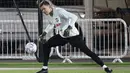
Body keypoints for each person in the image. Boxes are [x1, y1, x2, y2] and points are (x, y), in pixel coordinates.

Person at [37, 0, 113, 73]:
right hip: (62, 36)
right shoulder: (49, 15)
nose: (43, 11)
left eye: (44, 8)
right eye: (42, 10)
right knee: (46, 45)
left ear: (50, 7)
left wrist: (68, 28)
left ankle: (105, 67)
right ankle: (45, 69)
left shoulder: (59, 11)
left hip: (74, 37)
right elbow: (51, 24)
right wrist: (44, 34)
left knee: (88, 52)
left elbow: (74, 17)